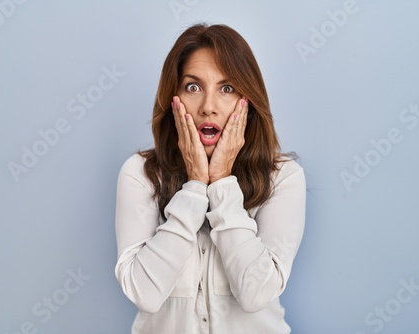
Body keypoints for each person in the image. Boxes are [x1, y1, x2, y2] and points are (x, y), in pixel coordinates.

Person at [114, 23, 306, 334]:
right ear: (172, 96)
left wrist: (221, 183)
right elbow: (144, 293)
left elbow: (257, 293)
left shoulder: (284, 178)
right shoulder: (140, 174)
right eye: (193, 87)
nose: (208, 107)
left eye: (227, 89)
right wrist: (194, 188)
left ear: (249, 101)